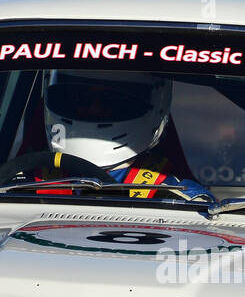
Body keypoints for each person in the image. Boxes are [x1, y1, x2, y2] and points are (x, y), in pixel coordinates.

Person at [40, 70, 213, 201]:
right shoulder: (22, 184)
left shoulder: (180, 198)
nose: (95, 109)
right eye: (81, 97)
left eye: (112, 99)